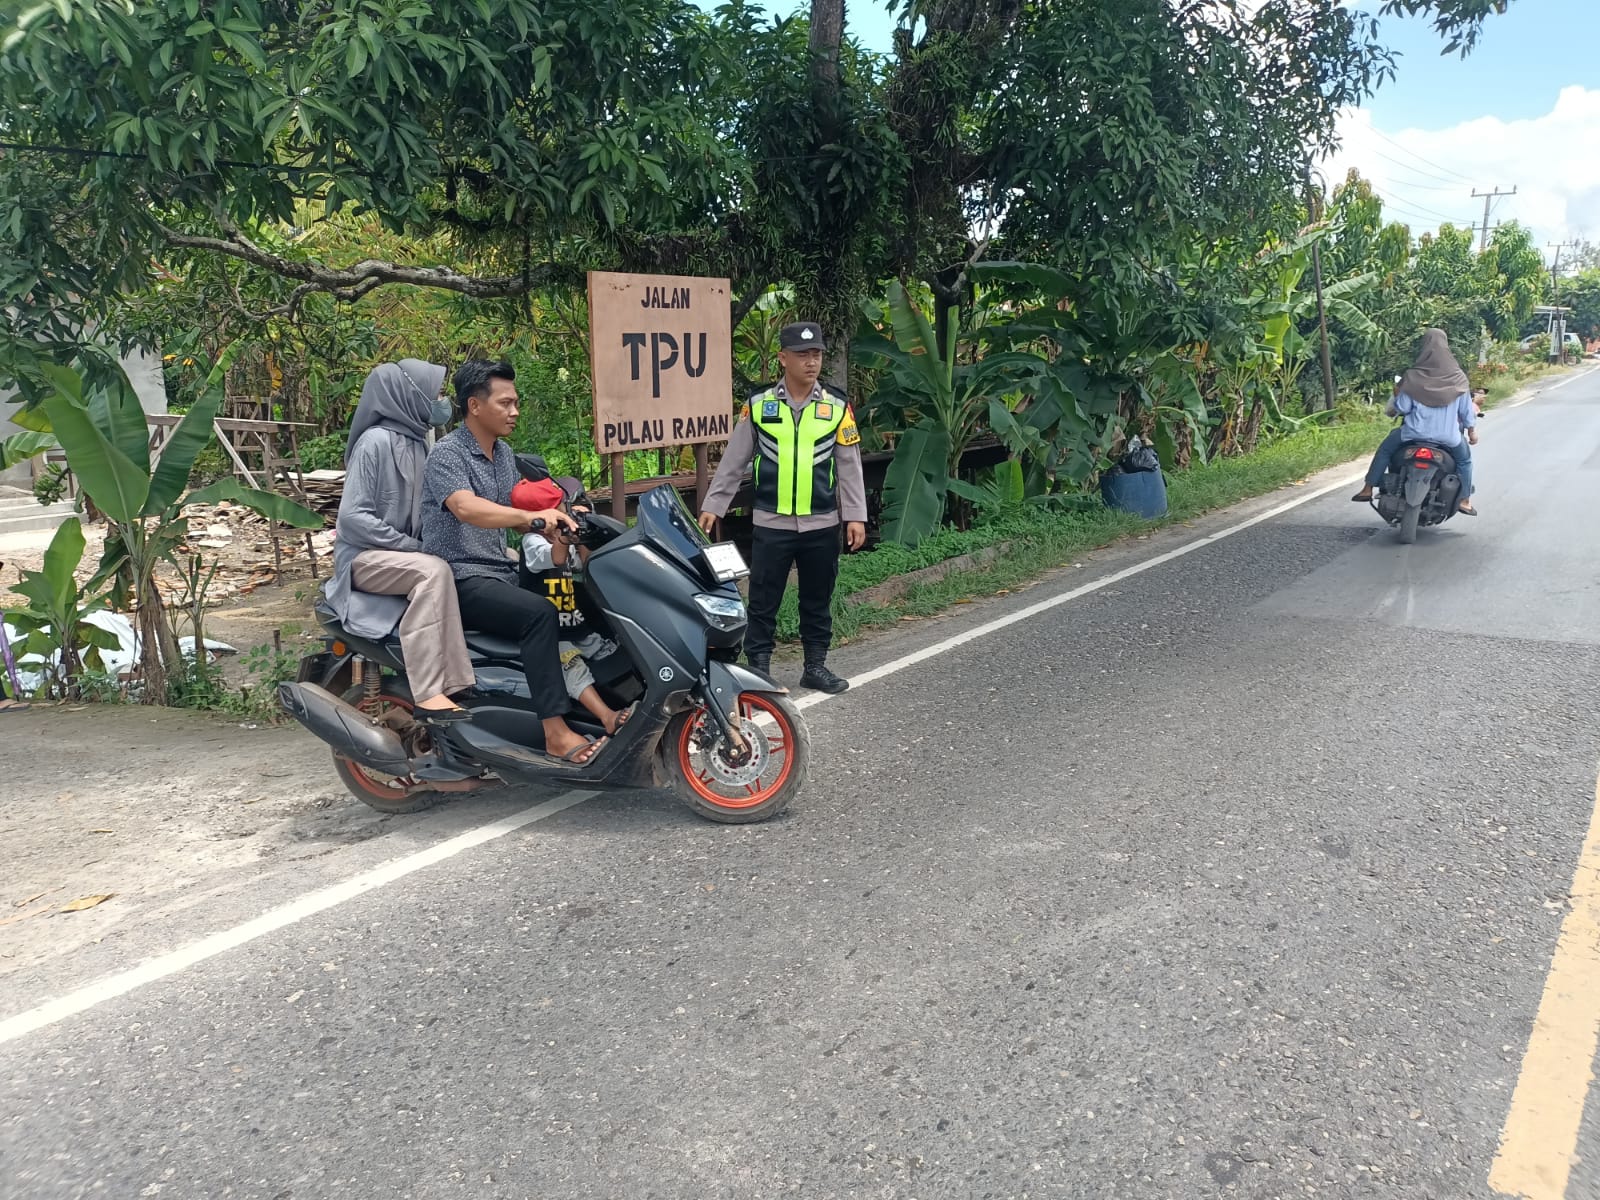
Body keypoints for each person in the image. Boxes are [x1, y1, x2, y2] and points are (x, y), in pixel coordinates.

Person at [420, 360, 603, 765]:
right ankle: (555, 733)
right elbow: (468, 509)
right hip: (461, 575)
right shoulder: (447, 456)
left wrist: (557, 524)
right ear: (474, 406)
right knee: (539, 613)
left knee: (578, 598)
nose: (515, 411)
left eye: (516, 403)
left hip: (500, 569)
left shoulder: (503, 455)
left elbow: (518, 510)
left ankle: (601, 707)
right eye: (506, 403)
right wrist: (531, 520)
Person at [698, 321, 867, 694]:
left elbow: (850, 465)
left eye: (817, 354)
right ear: (783, 358)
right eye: (803, 355)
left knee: (817, 596)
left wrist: (855, 516)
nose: (812, 362)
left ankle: (815, 666)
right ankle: (758, 668)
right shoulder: (760, 405)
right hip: (772, 521)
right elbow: (734, 460)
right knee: (763, 597)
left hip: (822, 521)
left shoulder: (836, 406)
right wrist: (715, 505)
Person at [323, 360, 475, 723]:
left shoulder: (421, 444)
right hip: (363, 560)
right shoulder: (374, 443)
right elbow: (352, 519)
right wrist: (413, 547)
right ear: (409, 395)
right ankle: (431, 692)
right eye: (435, 392)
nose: (441, 401)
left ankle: (467, 683)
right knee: (432, 571)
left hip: (400, 559)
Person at [509, 474, 632, 735]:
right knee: (572, 669)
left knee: (612, 651)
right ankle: (606, 716)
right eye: (560, 510)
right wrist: (565, 537)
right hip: (553, 632)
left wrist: (583, 533)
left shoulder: (560, 539)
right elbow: (554, 558)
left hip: (575, 623)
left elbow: (585, 565)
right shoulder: (532, 542)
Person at [1352, 328, 1479, 515]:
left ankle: (1368, 488)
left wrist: (1398, 394)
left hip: (1412, 434)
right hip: (1448, 437)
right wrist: (1471, 432)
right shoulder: (1458, 378)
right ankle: (1465, 500)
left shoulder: (1413, 376)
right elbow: (1466, 412)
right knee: (1465, 461)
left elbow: (1402, 408)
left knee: (1385, 450)